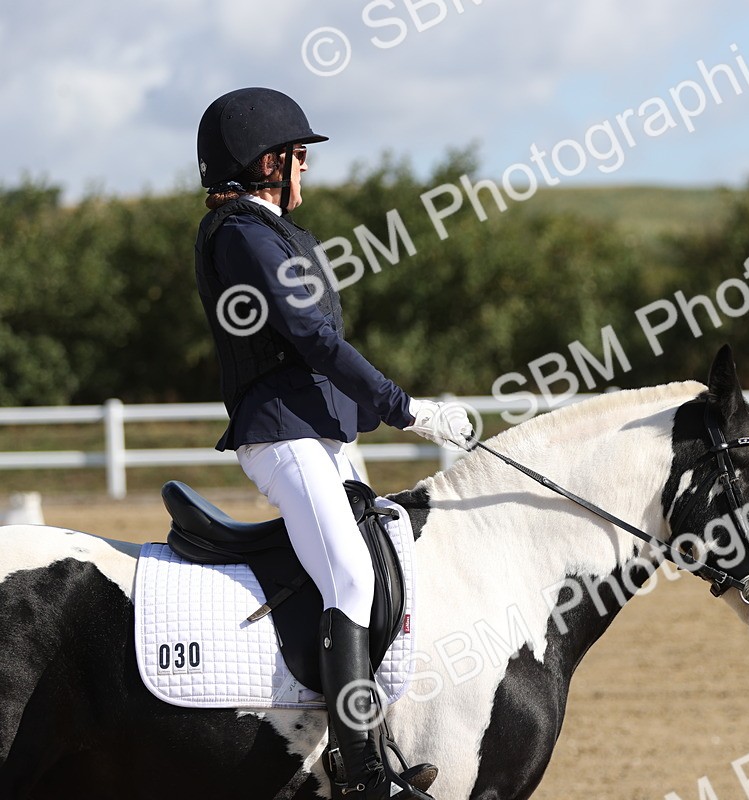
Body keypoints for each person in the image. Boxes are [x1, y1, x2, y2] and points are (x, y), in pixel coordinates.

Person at [194, 87, 468, 800]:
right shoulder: (244, 236)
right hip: (283, 435)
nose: (306, 170)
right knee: (350, 577)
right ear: (266, 162)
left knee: (382, 566)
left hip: (319, 432)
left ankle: (372, 744)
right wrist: (406, 409)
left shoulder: (274, 232)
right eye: (298, 158)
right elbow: (315, 340)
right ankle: (364, 778)